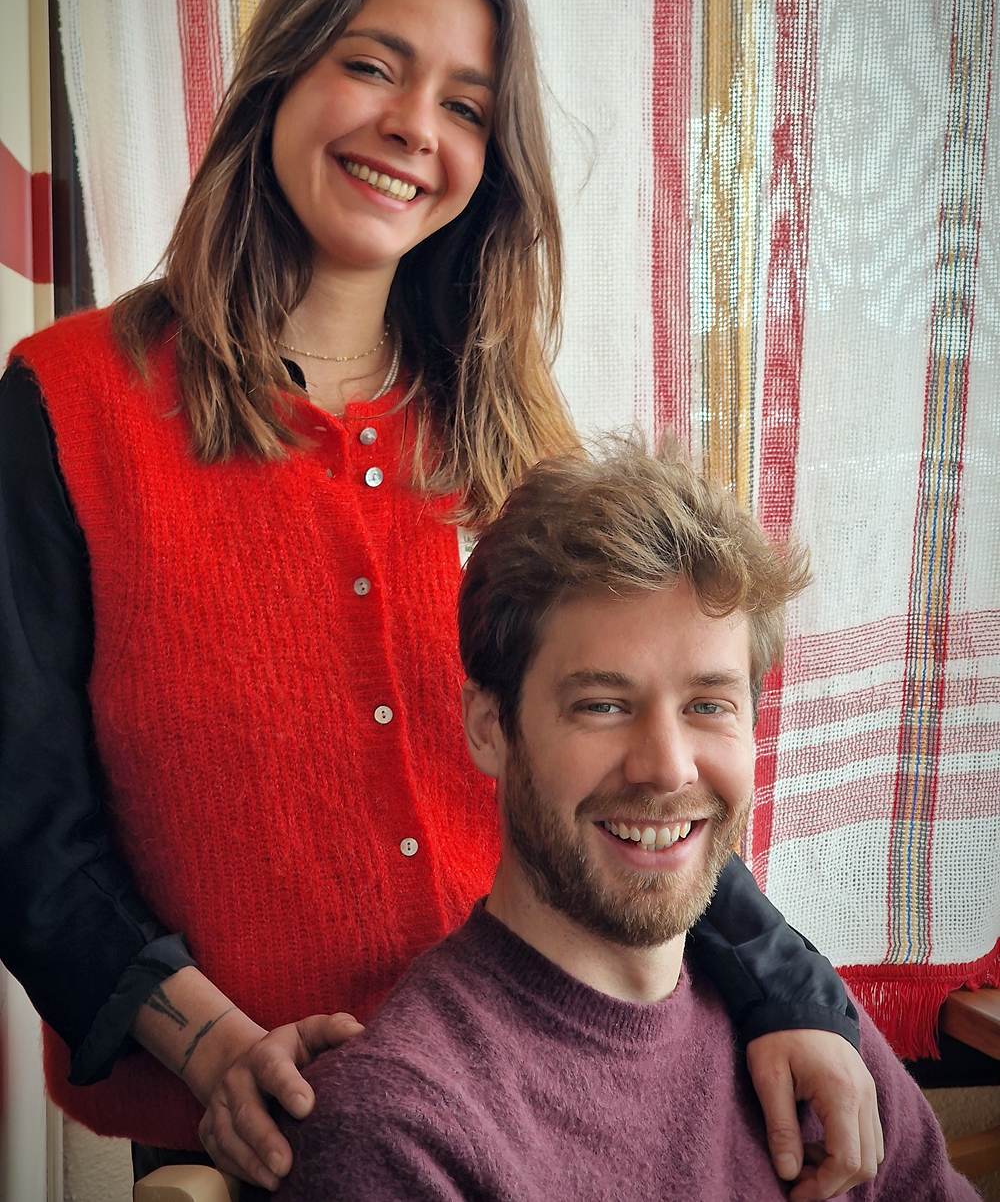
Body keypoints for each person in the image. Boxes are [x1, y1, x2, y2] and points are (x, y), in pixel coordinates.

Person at [2, 0, 869, 1197]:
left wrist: (800, 997)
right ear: (279, 77)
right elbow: (28, 826)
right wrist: (213, 1047)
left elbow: (647, 774)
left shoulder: (521, 439)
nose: (416, 124)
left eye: (466, 104)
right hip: (269, 1136)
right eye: (372, 63)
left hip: (567, 1082)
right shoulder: (66, 404)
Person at [257, 436, 974, 1202]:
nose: (667, 766)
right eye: (602, 704)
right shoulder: (404, 1132)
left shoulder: (820, 1046)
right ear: (489, 727)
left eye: (709, 705)